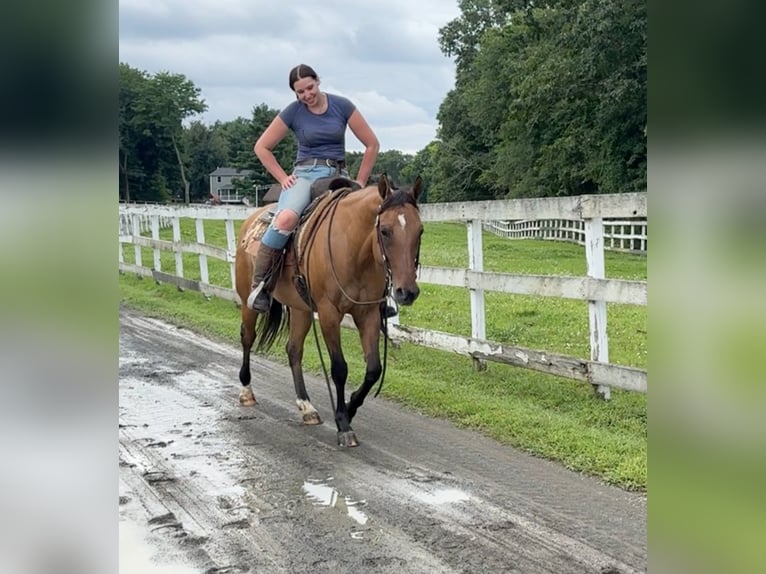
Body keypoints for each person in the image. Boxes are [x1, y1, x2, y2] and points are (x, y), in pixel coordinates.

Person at [247, 63, 380, 312]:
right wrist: (282, 177)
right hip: (306, 176)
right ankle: (261, 286)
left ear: (318, 81)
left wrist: (361, 182)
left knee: (373, 219)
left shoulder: (342, 106)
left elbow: (372, 144)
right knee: (285, 219)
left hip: (338, 176)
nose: (307, 95)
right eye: (300, 92)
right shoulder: (293, 112)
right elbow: (261, 147)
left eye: (310, 87)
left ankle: (379, 294)